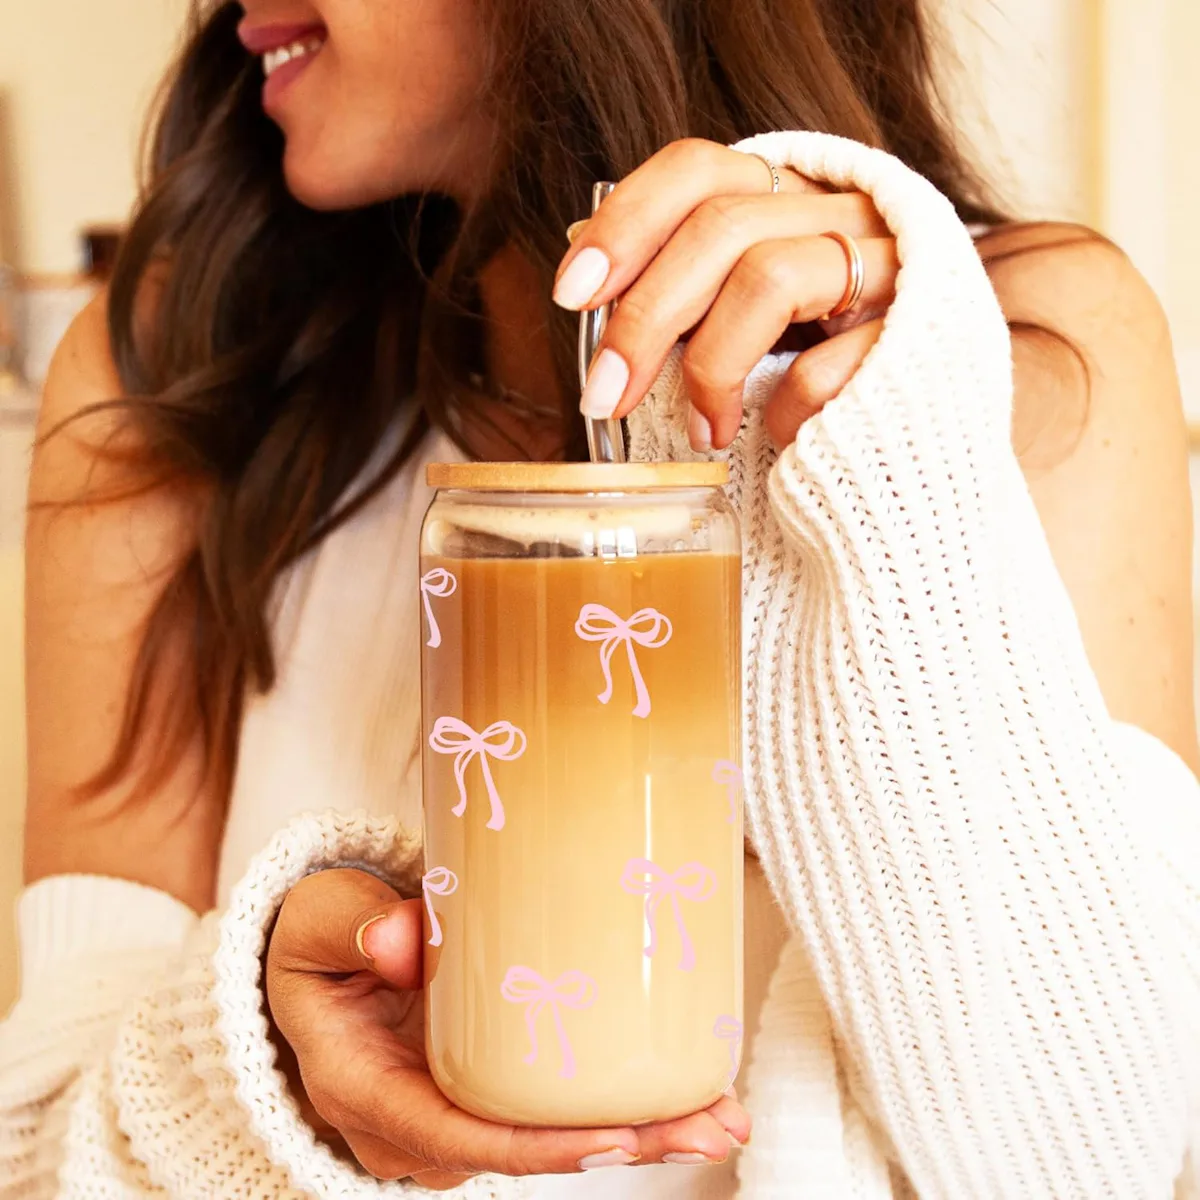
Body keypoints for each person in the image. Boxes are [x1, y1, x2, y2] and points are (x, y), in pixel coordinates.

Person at [2, 0, 1198, 1195]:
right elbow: (42, 1156)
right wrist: (260, 1070)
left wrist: (881, 480)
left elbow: (1093, 1167)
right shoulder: (177, 376)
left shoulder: (1024, 350)